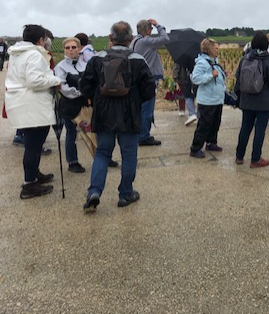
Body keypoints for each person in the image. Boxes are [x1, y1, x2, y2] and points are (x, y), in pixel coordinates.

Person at [80, 21, 156, 212]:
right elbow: (149, 89)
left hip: (104, 113)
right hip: (129, 113)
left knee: (102, 153)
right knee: (129, 154)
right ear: (131, 39)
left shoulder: (97, 59)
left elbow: (85, 86)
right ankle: (125, 193)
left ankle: (94, 191)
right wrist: (136, 100)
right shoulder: (138, 59)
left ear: (110, 38)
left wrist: (97, 98)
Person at [5, 25, 61, 199]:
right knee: (33, 145)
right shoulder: (35, 54)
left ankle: (34, 174)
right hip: (33, 104)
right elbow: (35, 80)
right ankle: (29, 184)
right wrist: (55, 79)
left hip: (23, 103)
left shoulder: (17, 53)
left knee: (33, 143)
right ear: (41, 40)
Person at [234, 31, 269, 168]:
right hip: (263, 102)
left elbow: (238, 77)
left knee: (245, 128)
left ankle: (239, 156)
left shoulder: (245, 59)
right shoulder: (266, 60)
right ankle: (255, 159)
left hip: (247, 100)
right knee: (260, 130)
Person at [131, 18, 169, 146]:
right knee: (147, 109)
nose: (152, 31)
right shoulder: (146, 41)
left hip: (138, 79)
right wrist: (158, 25)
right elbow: (165, 38)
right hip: (147, 80)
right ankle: (144, 137)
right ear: (147, 29)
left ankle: (140, 134)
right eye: (151, 28)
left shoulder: (134, 41)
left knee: (141, 108)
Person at [54, 37, 88, 173]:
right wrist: (80, 93)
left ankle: (102, 157)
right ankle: (72, 161)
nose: (70, 50)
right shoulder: (61, 66)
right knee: (71, 133)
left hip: (86, 104)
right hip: (70, 105)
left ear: (79, 49)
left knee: (92, 131)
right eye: (67, 48)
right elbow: (62, 86)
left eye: (74, 47)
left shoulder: (85, 64)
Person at [189, 39, 226, 158]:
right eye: (216, 48)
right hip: (207, 100)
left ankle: (211, 143)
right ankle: (195, 148)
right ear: (209, 49)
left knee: (215, 123)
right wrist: (211, 75)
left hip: (217, 99)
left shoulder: (214, 61)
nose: (218, 50)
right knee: (204, 125)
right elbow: (195, 78)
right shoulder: (202, 63)